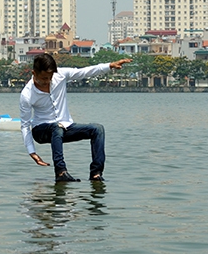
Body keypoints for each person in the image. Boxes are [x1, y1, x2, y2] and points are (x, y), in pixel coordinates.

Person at [20, 53, 132, 182]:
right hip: (41, 131)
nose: (48, 81)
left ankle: (96, 174)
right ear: (34, 73)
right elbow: (25, 125)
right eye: (44, 78)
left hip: (65, 127)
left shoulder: (60, 75)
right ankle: (61, 172)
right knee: (57, 127)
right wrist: (31, 151)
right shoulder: (27, 94)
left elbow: (85, 72)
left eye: (50, 77)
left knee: (97, 129)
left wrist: (109, 66)